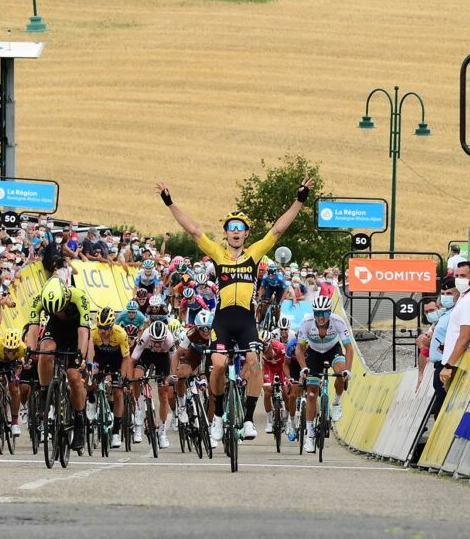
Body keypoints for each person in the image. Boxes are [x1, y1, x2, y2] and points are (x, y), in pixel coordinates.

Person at [156, 176, 312, 444]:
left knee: (253, 361)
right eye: (231, 228)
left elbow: (277, 230)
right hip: (223, 321)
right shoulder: (218, 254)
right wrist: (169, 202)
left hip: (246, 321)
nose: (236, 232)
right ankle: (217, 419)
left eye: (240, 228)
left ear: (246, 233)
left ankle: (249, 419)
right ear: (226, 233)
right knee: (217, 367)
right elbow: (193, 230)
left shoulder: (254, 254)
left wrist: (300, 199)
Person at [26, 277, 92, 451]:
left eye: (62, 308)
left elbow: (84, 333)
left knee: (74, 376)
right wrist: (29, 351)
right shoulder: (39, 300)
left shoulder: (80, 298)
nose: (60, 312)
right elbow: (33, 329)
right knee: (45, 351)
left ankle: (79, 420)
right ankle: (45, 392)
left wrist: (81, 357)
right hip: (56, 328)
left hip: (76, 330)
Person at [294, 295, 354, 452]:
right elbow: (299, 348)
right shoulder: (306, 322)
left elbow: (348, 348)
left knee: (340, 373)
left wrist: (348, 369)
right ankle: (310, 435)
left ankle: (336, 403)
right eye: (317, 314)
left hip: (332, 350)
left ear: (329, 312)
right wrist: (303, 367)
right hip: (313, 353)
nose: (321, 318)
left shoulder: (338, 321)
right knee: (312, 394)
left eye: (325, 314)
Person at [438, 262, 470, 393]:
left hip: (461, 365)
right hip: (462, 363)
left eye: (463, 276)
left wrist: (449, 365)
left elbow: (465, 337)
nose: (459, 279)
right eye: (457, 275)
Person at [130, 318, 175, 447]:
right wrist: (129, 379)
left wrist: (170, 379)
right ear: (150, 337)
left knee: (163, 395)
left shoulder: (170, 340)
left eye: (159, 342)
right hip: (147, 354)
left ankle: (162, 433)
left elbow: (173, 364)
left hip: (163, 358)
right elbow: (132, 360)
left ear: (164, 339)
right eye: (154, 341)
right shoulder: (145, 336)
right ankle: (138, 409)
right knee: (137, 376)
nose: (156, 345)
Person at [91, 307, 131, 438]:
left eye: (106, 327)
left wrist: (124, 377)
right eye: (100, 327)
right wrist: (91, 369)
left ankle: (116, 432)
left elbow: (126, 358)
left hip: (116, 360)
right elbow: (90, 354)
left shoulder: (121, 334)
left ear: (112, 325)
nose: (102, 331)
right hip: (99, 358)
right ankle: (91, 402)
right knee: (89, 380)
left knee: (118, 392)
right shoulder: (93, 332)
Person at [0, 329, 27, 437]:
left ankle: (15, 423)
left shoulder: (22, 348)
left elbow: (22, 364)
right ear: (4, 347)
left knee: (14, 390)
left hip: (11, 364)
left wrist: (16, 375)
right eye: (8, 350)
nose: (11, 353)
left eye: (14, 351)